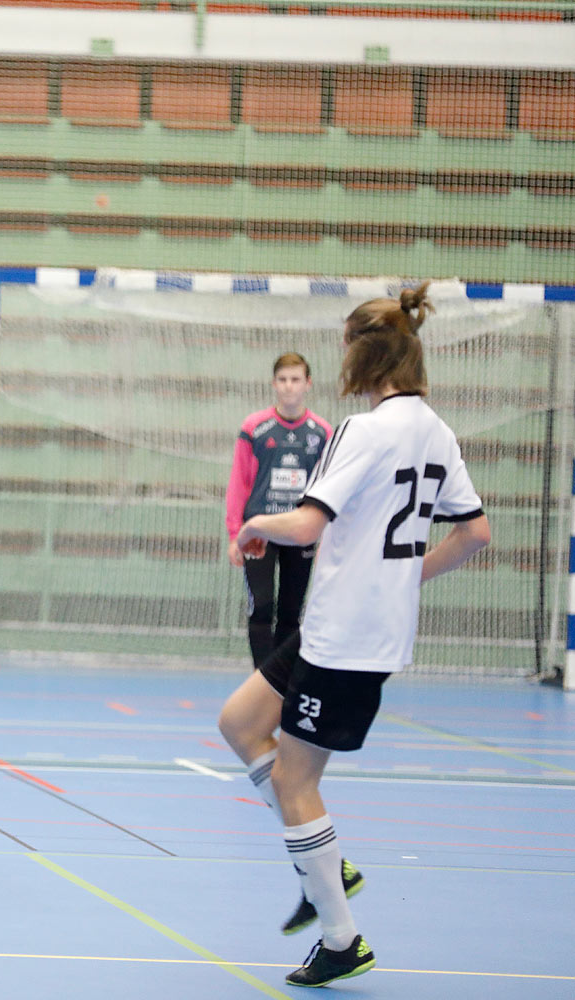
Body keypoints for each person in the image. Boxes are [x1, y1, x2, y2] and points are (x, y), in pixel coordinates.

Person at [217, 282, 490, 987]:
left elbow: (306, 526)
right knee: (241, 721)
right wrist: (406, 578)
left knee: (293, 778)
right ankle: (325, 861)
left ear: (364, 357)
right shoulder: (437, 429)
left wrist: (252, 525)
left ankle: (340, 937)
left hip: (346, 638)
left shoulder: (364, 431)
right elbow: (475, 533)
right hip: (338, 628)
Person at [226, 354, 332, 671]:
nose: (289, 386)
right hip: (260, 530)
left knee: (290, 610)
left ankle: (281, 680)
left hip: (300, 531)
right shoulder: (254, 428)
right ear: (274, 384)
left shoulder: (322, 432)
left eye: (295, 379)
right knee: (261, 605)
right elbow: (239, 482)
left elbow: (327, 487)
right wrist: (236, 534)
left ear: (308, 384)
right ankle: (262, 677)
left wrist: (325, 533)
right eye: (283, 379)